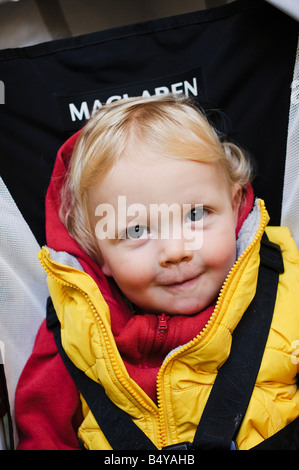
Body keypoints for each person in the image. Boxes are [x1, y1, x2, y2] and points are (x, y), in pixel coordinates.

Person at [15, 94, 299, 450]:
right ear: (97, 249)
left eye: (196, 215)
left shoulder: (288, 284)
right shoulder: (74, 322)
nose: (176, 252)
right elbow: (43, 433)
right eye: (136, 231)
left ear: (234, 202)